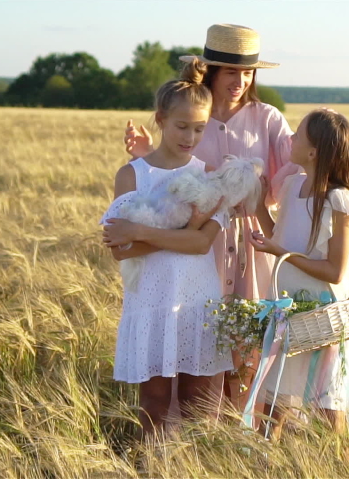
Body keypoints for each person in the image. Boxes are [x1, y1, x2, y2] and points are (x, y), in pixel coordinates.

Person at [123, 23, 299, 410]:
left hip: (252, 242)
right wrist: (146, 153)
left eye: (247, 72)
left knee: (248, 341)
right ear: (212, 71)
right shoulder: (191, 113)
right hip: (200, 244)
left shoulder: (267, 118)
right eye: (231, 71)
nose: (240, 80)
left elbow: (297, 167)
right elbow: (174, 169)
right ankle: (196, 443)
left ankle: (241, 441)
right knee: (202, 343)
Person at [102, 59, 231, 437]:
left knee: (198, 405)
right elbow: (121, 251)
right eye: (181, 126)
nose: (190, 137)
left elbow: (201, 243)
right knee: (154, 404)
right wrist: (180, 232)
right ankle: (153, 469)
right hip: (151, 301)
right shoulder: (132, 175)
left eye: (199, 128)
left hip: (197, 301)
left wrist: (141, 230)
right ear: (160, 119)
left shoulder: (208, 177)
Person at [250, 108, 349, 434]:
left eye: (297, 134)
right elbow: (280, 236)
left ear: (313, 152)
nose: (291, 137)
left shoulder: (339, 201)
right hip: (288, 315)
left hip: (323, 322)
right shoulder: (291, 186)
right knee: (273, 414)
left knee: (330, 417)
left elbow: (335, 271)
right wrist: (259, 206)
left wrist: (280, 253)